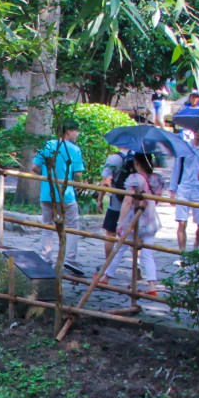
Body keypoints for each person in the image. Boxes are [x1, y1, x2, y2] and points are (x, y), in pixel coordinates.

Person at [99, 151, 167, 306]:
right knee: (147, 253)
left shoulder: (135, 178)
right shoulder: (156, 178)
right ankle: (151, 285)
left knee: (120, 248)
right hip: (150, 218)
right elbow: (156, 197)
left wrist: (120, 222)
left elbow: (128, 200)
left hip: (135, 219)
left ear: (137, 162)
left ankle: (106, 277)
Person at [34, 123, 87, 275]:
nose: (77, 134)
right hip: (66, 194)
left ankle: (46, 258)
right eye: (76, 131)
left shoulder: (48, 145)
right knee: (72, 225)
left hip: (47, 192)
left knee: (47, 225)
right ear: (68, 132)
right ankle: (70, 259)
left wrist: (46, 179)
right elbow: (78, 174)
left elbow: (35, 168)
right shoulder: (75, 150)